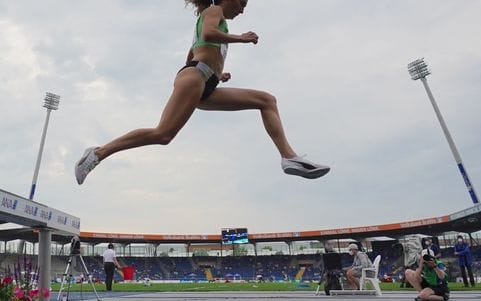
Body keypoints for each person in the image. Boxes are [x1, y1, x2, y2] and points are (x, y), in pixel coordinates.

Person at [75, 0, 330, 185]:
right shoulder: (214, 11)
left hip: (205, 82)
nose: (242, 9)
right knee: (162, 134)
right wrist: (241, 39)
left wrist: (216, 73)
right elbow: (208, 34)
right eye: (241, 2)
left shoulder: (218, 22)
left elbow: (195, 48)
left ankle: (289, 158)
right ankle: (98, 153)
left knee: (266, 100)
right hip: (195, 78)